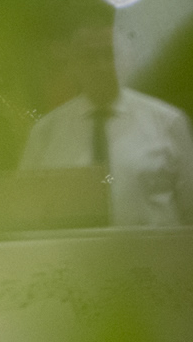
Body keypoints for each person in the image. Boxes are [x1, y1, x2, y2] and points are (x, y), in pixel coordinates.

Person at [20, 21, 193, 226]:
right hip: (74, 247)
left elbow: (190, 208)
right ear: (73, 64)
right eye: (89, 57)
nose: (101, 66)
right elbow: (27, 211)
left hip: (153, 246)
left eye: (109, 55)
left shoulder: (167, 122)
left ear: (126, 59)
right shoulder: (46, 132)